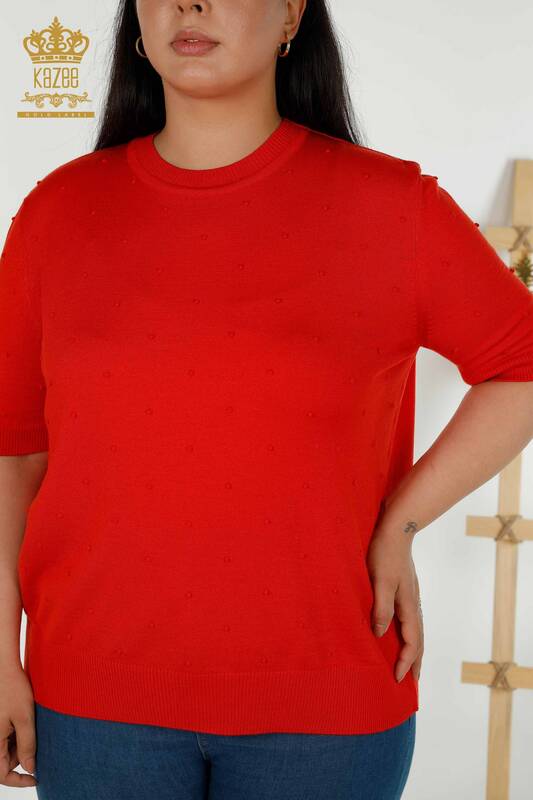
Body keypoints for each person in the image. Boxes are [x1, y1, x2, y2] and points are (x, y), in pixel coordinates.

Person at [2, 1, 533, 798]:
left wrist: (402, 519)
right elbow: (14, 453)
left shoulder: (392, 206)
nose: (188, 4)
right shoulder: (59, 212)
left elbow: (520, 364)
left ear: (290, 15)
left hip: (328, 702)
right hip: (90, 699)